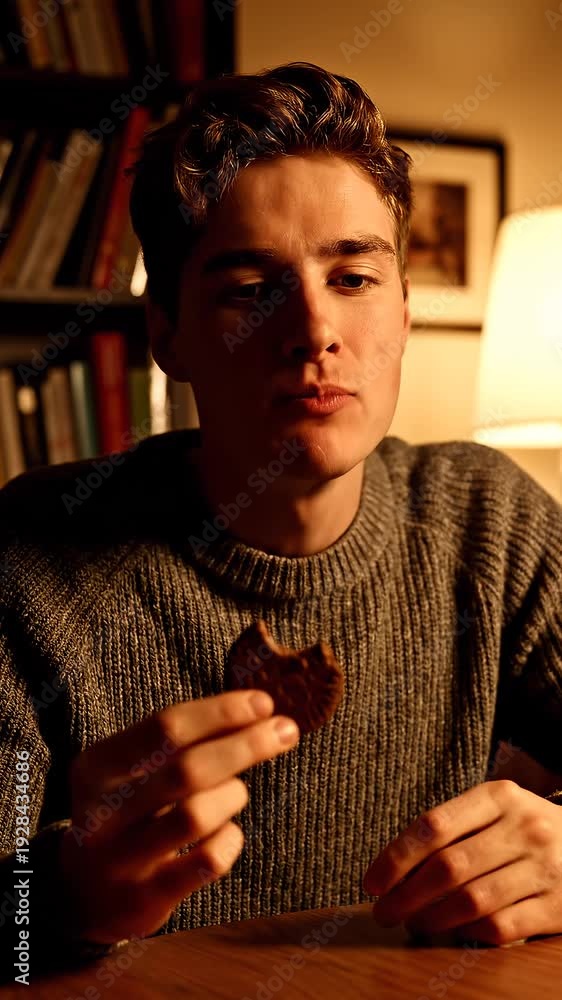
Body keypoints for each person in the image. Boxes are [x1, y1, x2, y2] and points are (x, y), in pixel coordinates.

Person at [1, 60, 562, 981]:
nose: (313, 331)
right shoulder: (29, 561)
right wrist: (57, 895)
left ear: (407, 310)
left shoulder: (489, 525)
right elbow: (9, 924)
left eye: (353, 277)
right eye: (250, 287)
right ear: (167, 335)